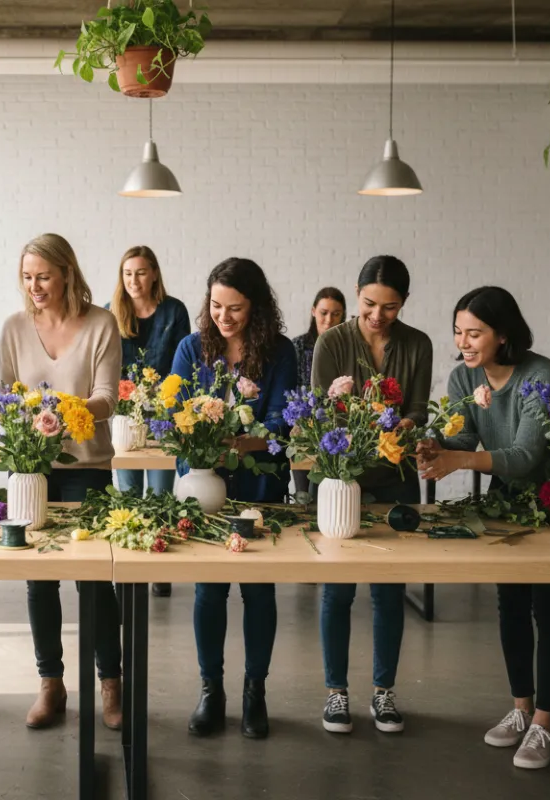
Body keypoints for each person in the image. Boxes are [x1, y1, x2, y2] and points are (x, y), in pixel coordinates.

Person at [416, 286, 550, 769]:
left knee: (549, 609)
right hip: (507, 508)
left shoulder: (540, 376)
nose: (463, 342)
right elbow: (463, 434)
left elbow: (526, 456)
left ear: (503, 334)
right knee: (511, 606)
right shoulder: (464, 377)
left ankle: (545, 723)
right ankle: (521, 710)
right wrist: (430, 442)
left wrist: (457, 458)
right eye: (458, 331)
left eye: (474, 333)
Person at [0, 233, 124, 731]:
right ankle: (51, 683)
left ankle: (111, 684)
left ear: (67, 273)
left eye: (43, 277)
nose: (35, 287)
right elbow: (6, 402)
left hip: (87, 466)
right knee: (39, 581)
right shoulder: (12, 328)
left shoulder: (101, 324)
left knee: (94, 581)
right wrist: (30, 421)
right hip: (31, 470)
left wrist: (61, 411)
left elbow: (107, 398)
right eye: (27, 278)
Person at [178, 258, 297, 741]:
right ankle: (211, 691)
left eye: (236, 308)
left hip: (259, 485)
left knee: (258, 589)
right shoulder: (191, 347)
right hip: (203, 487)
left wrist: (227, 439)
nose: (224, 317)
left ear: (257, 307)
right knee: (208, 589)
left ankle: (255, 692)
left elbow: (278, 424)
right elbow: (175, 413)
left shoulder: (280, 351)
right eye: (216, 306)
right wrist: (209, 442)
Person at [311, 255, 431, 736]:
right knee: (337, 590)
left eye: (390, 306)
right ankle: (336, 693)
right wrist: (364, 433)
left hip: (397, 476)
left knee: (388, 589)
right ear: (356, 293)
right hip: (341, 477)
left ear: (403, 304)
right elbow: (322, 414)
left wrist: (407, 423)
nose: (378, 315)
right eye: (368, 304)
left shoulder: (417, 344)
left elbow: (419, 408)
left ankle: (384, 693)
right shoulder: (331, 342)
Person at [107, 245, 190, 598]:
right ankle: (128, 564)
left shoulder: (174, 311)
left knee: (158, 494)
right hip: (126, 415)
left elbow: (182, 365)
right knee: (127, 492)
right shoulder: (112, 312)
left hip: (164, 417)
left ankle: (157, 565)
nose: (134, 280)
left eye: (140, 272)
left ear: (154, 273)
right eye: (128, 273)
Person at [291, 287, 346, 496]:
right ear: (314, 311)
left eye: (336, 314)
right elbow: (291, 390)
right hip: (304, 425)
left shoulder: (346, 350)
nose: (329, 319)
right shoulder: (298, 346)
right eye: (324, 313)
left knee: (333, 488)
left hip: (337, 427)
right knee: (304, 495)